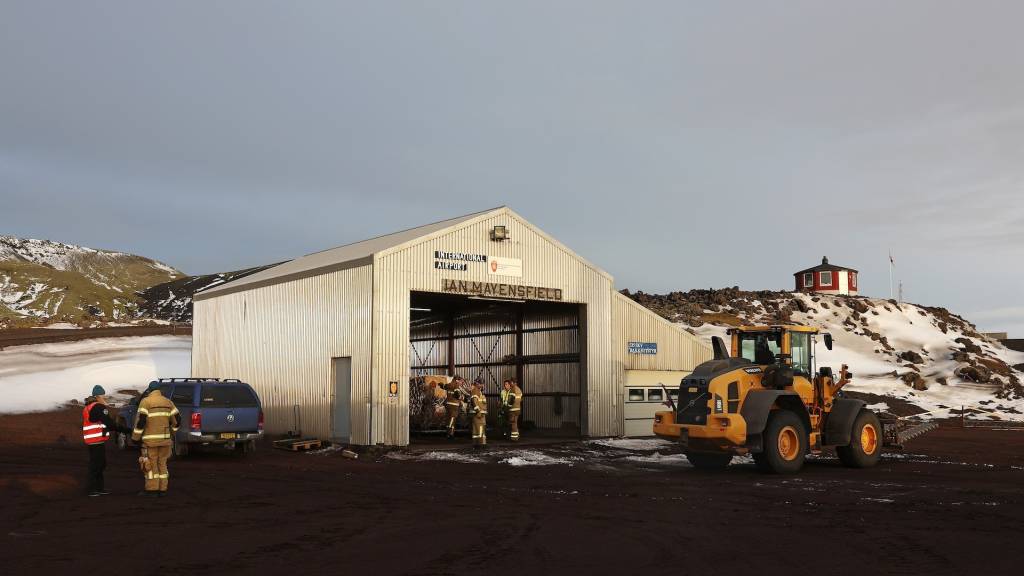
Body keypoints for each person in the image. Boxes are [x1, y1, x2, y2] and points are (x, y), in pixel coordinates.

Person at [131, 382, 181, 497]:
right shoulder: (168, 402)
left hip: (150, 442)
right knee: (162, 464)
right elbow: (178, 420)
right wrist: (172, 432)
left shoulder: (146, 402)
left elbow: (141, 422)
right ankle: (163, 489)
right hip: (165, 441)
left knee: (150, 465)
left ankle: (152, 490)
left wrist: (135, 438)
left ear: (149, 390)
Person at [82, 385, 128, 497]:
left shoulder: (88, 407)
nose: (105, 397)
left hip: (92, 440)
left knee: (98, 464)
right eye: (103, 395)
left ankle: (98, 488)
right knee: (97, 465)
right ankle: (93, 489)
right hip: (97, 440)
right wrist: (125, 429)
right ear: (99, 396)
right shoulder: (99, 407)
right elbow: (110, 424)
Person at [469, 379, 488, 449]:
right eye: (482, 384)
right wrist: (478, 412)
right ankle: (481, 444)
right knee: (480, 429)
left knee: (476, 429)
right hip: (478, 414)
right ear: (478, 384)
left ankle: (476, 443)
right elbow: (474, 402)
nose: (483, 385)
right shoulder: (476, 391)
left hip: (478, 414)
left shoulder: (478, 391)